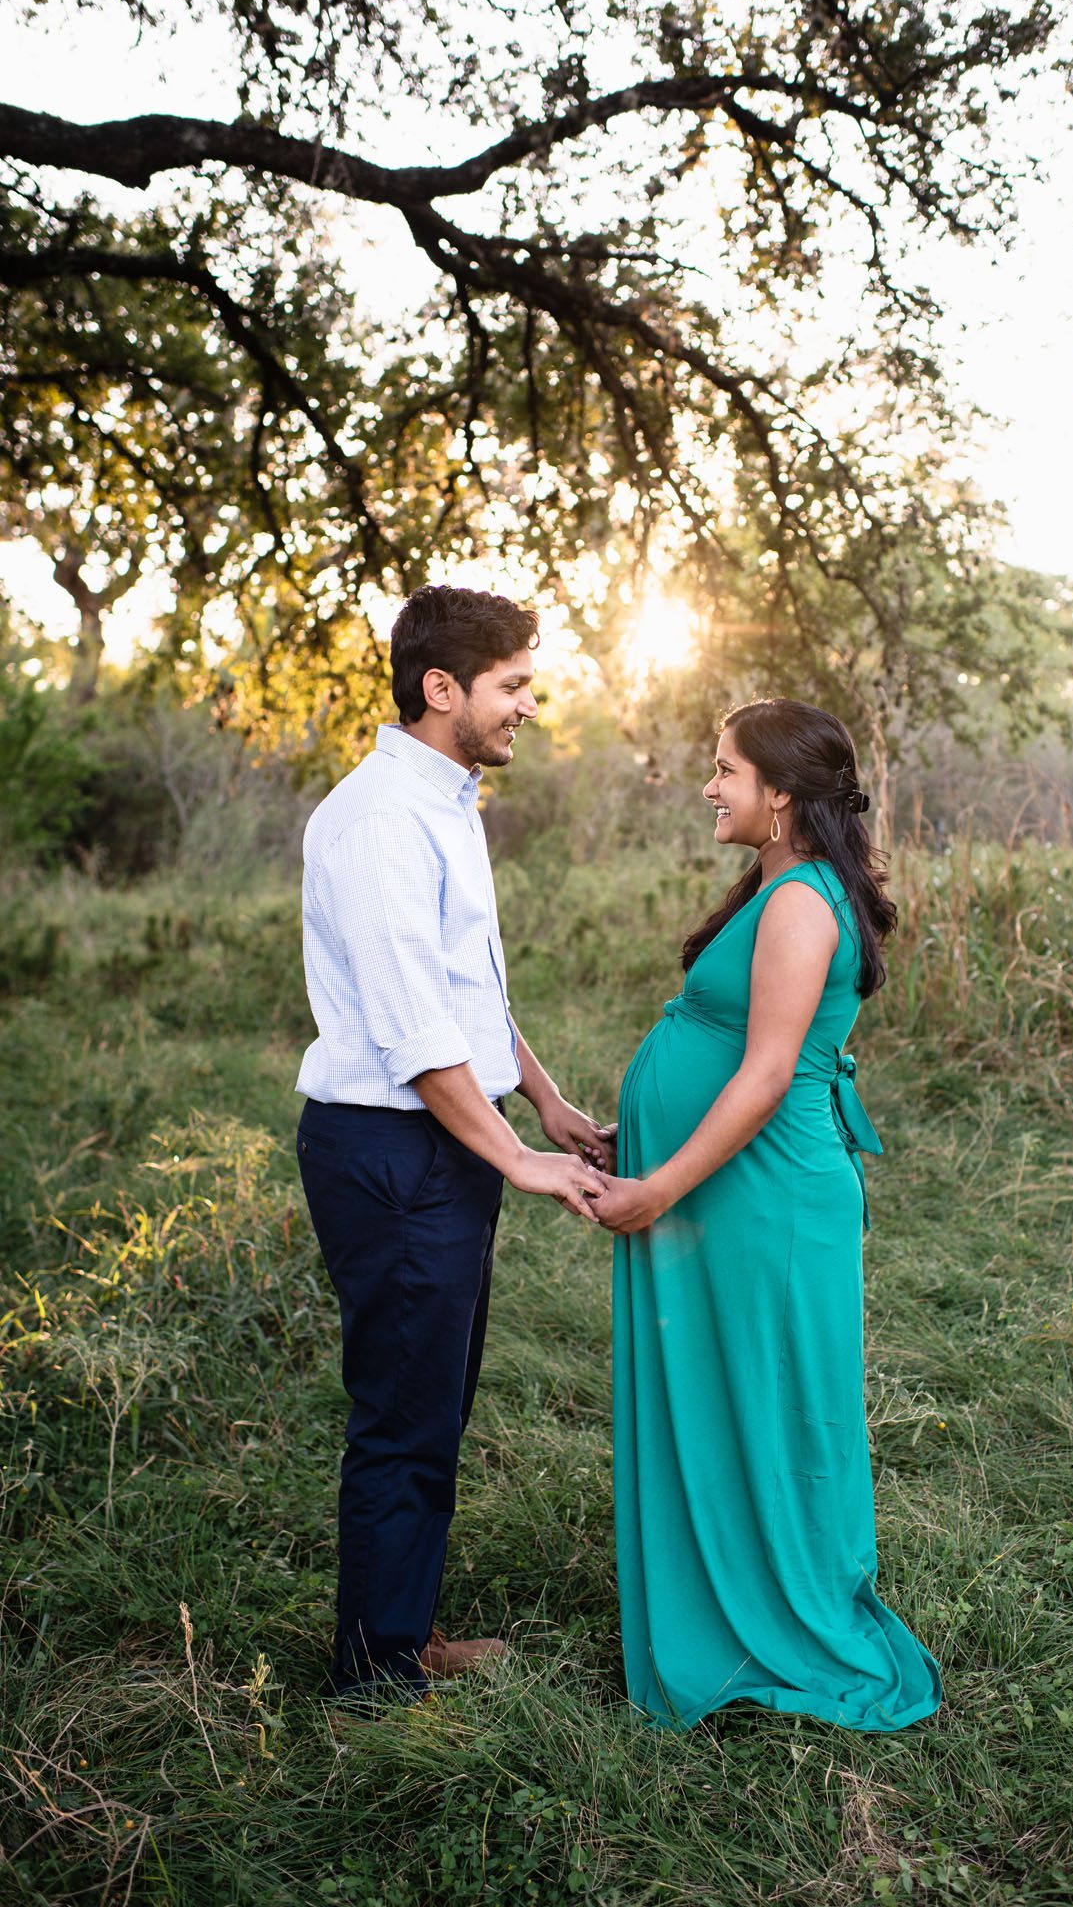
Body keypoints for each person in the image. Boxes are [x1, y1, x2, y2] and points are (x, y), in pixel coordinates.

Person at [595, 698, 942, 1732]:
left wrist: (660, 1183)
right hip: (735, 1188)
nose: (709, 786)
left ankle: (779, 1619)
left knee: (769, 1396)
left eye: (726, 770)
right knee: (727, 1388)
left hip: (764, 1196)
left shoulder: (799, 903)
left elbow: (764, 1075)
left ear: (781, 794)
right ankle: (723, 1594)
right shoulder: (780, 884)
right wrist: (639, 1139)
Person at [295, 584, 611, 1703]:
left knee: (438, 1403)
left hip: (445, 1139)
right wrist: (516, 1159)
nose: (532, 702)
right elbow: (411, 1023)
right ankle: (374, 1678)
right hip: (392, 1151)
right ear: (443, 689)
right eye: (514, 684)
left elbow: (467, 983)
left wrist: (544, 1100)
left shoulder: (445, 798)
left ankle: (399, 1633)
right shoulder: (381, 816)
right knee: (402, 1417)